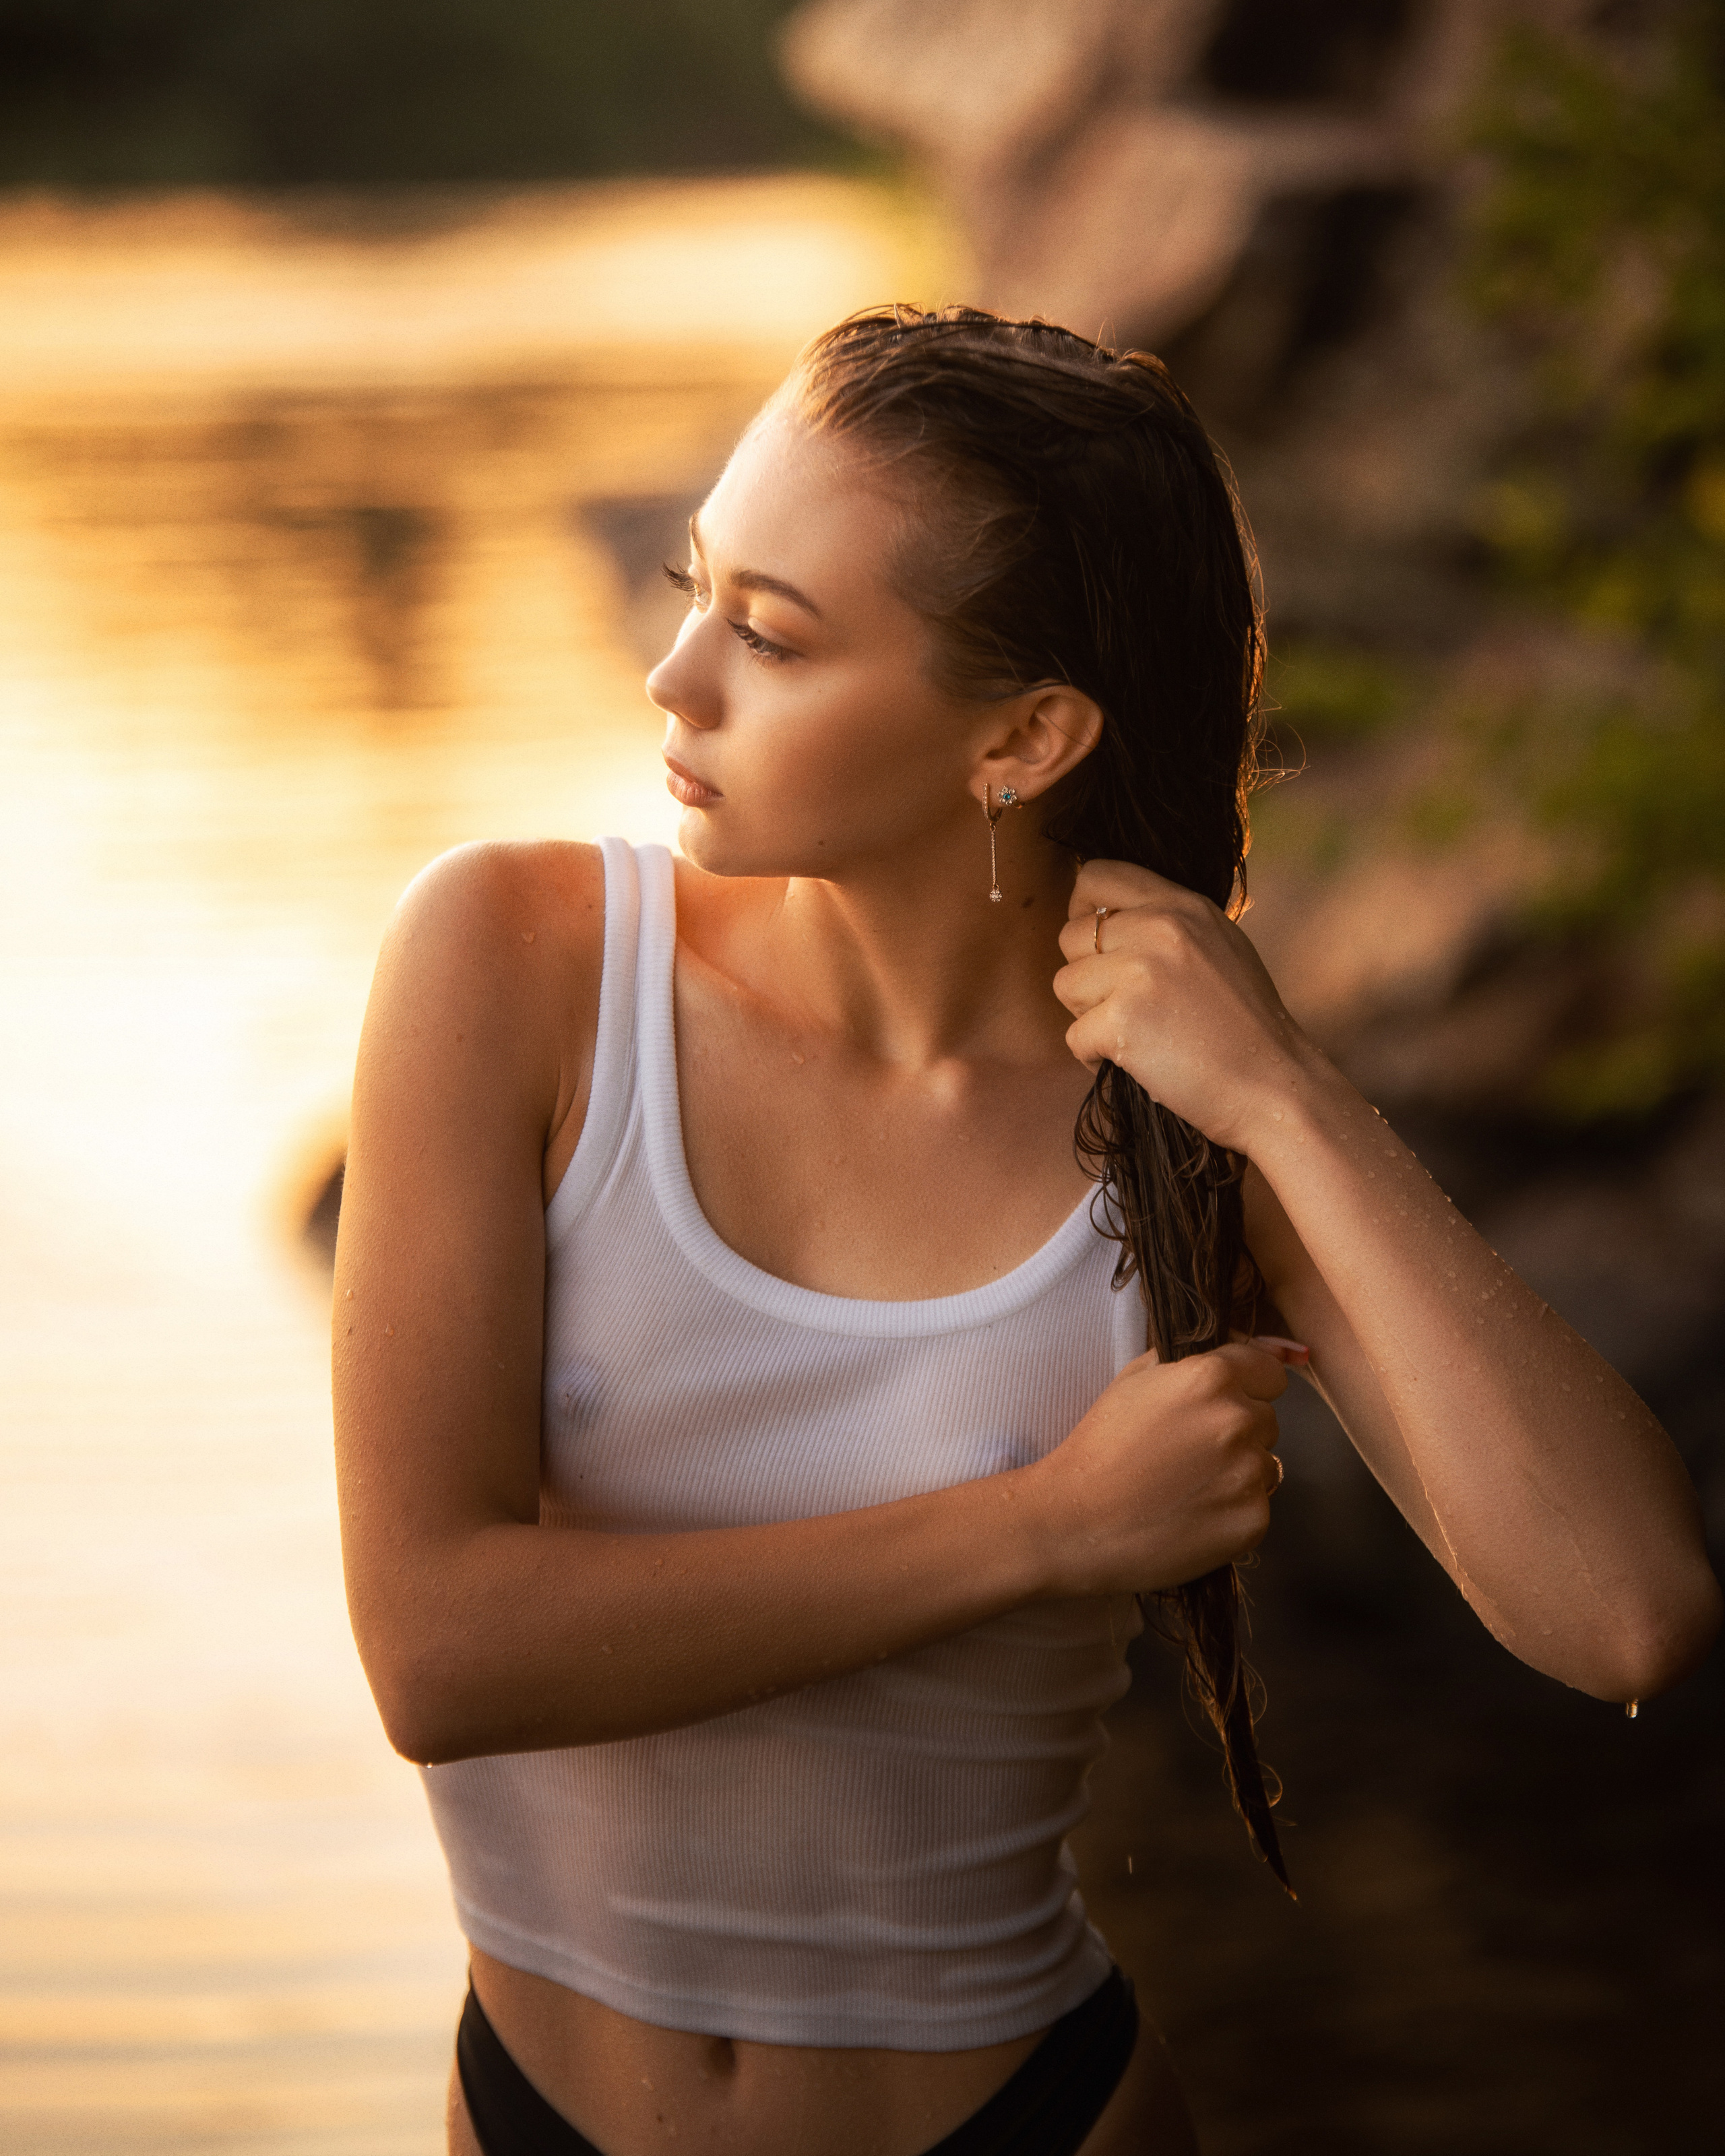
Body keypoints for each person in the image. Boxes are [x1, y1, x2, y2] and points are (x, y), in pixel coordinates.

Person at [332, 307, 1721, 2156]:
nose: (676, 678)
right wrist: (1044, 1527)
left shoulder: (1178, 1115)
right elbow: (440, 1653)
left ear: (1023, 736)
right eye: (697, 589)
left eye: (772, 635)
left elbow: (1625, 1615)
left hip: (1026, 2120)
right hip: (535, 2118)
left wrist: (1291, 1098)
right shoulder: (515, 965)